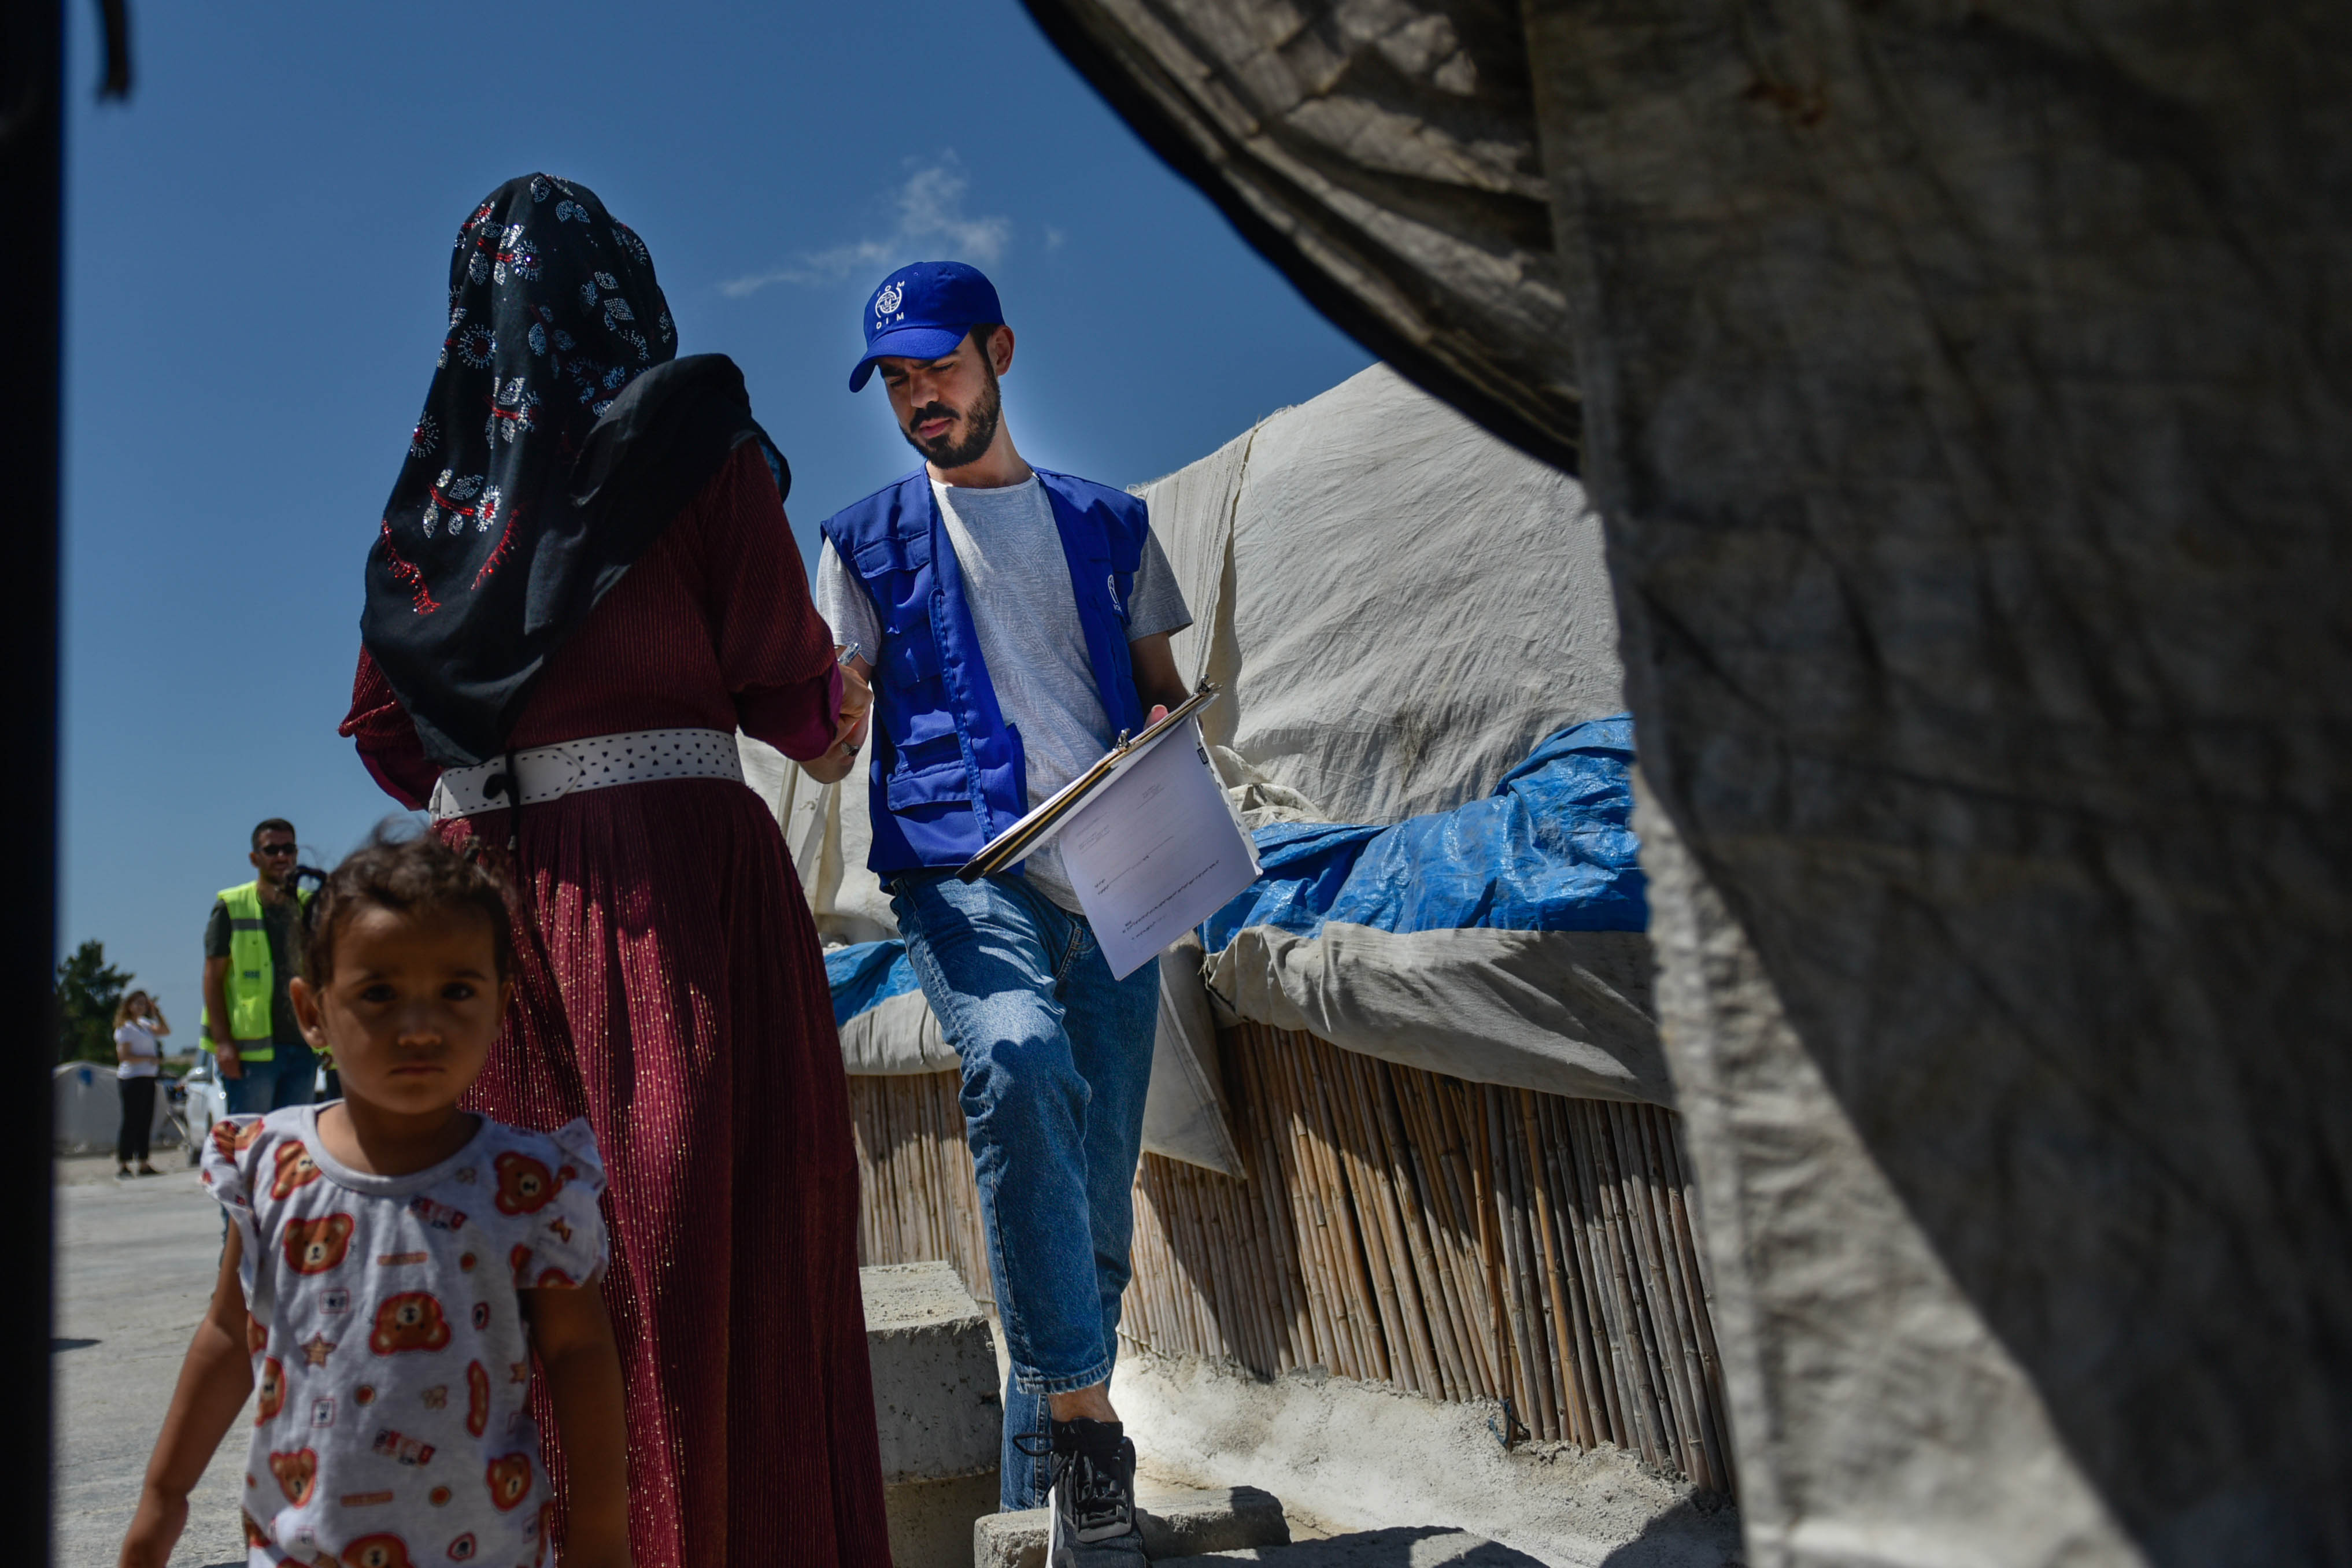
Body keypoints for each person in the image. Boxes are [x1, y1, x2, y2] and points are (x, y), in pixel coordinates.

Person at [339, 173, 889, 1567]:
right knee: (710, 1253)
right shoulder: (687, 441)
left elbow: (389, 740)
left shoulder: (433, 511)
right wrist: (836, 718)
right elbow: (793, 688)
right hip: (683, 907)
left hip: (490, 930)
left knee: (523, 1281)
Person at [807, 261, 1195, 1564]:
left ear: (1001, 353)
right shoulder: (858, 544)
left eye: (941, 368)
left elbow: (1163, 695)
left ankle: (1047, 1497)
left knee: (1092, 1202)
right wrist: (834, 714)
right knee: (1017, 1058)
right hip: (957, 874)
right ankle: (1093, 1448)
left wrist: (1158, 753)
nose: (923, 398)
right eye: (899, 382)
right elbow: (823, 742)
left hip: (1115, 871)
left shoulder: (1110, 524)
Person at [117, 830, 629, 1568]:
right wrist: (164, 1499)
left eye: (457, 990)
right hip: (304, 1548)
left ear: (500, 1005)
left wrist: (604, 1536)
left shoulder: (531, 1183)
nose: (419, 1027)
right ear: (312, 1012)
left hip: (489, 1550)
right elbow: (229, 1337)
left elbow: (580, 1351)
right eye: (379, 993)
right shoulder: (269, 1166)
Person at [201, 819, 318, 1114]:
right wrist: (223, 1043)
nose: (282, 856)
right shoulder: (231, 905)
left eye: (288, 849)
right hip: (250, 1055)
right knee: (251, 1143)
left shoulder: (310, 906)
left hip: (303, 1048)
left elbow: (322, 976)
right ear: (255, 858)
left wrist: (328, 1041)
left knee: (292, 1148)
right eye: (272, 850)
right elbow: (213, 978)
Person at [112, 990, 169, 1177]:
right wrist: (148, 1058)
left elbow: (165, 1031)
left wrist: (157, 1013)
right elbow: (124, 1056)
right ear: (129, 1005)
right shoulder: (125, 1028)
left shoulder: (144, 1025)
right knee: (131, 1121)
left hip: (147, 1077)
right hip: (131, 1078)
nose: (141, 1007)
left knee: (146, 1120)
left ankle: (144, 1162)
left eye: (144, 1004)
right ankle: (124, 1163)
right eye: (137, 1004)